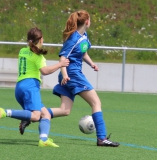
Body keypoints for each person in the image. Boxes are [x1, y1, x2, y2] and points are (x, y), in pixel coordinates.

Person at [19, 10, 120, 147]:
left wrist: (91, 64)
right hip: (72, 74)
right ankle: (101, 138)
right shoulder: (73, 38)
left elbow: (82, 53)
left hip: (70, 74)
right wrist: (66, 75)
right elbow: (63, 58)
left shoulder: (83, 35)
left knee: (65, 110)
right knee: (96, 102)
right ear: (87, 22)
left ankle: (33, 116)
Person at [0, 27, 69, 147]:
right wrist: (60, 64)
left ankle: (43, 140)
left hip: (19, 87)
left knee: (45, 114)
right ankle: (5, 112)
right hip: (30, 87)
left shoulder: (22, 51)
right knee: (35, 116)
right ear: (40, 39)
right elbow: (44, 71)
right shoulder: (38, 57)